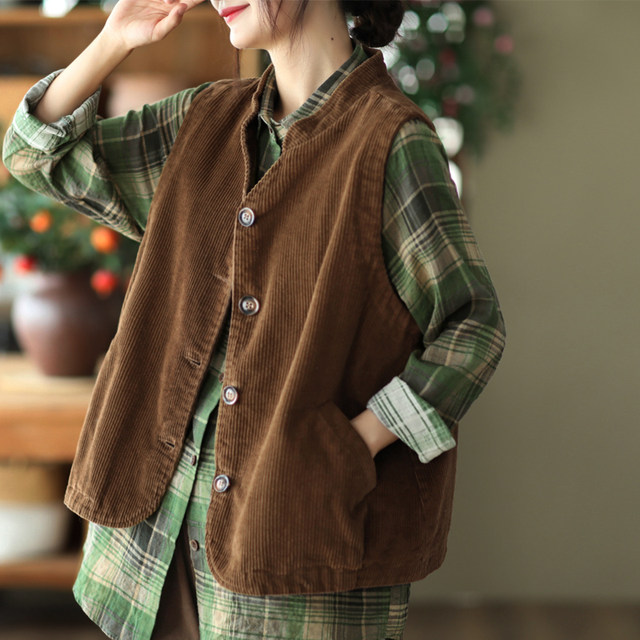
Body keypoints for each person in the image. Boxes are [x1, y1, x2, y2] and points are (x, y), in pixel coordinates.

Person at [2, 0, 506, 638]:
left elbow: (471, 325)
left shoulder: (392, 141)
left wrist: (355, 444)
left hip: (291, 547)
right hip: (151, 539)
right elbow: (35, 155)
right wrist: (114, 40)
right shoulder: (204, 118)